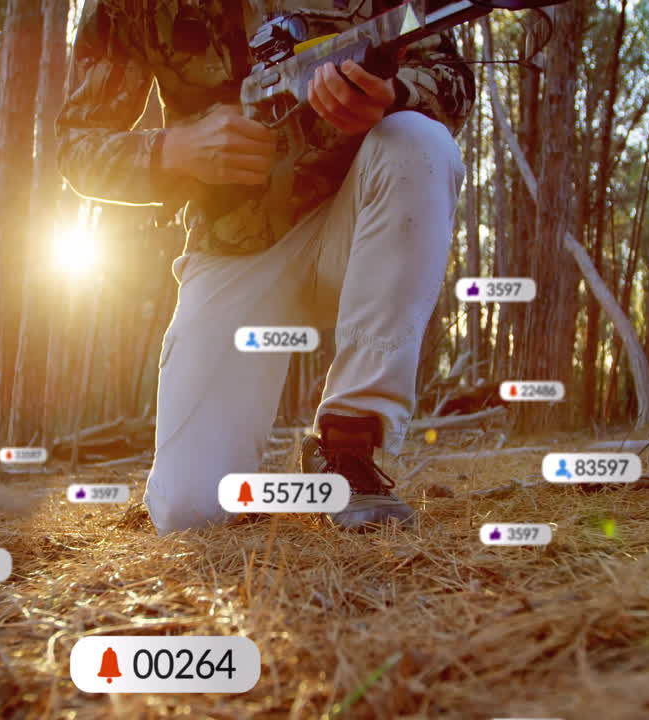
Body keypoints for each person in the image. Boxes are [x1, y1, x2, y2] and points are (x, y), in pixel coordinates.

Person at [57, 0, 473, 534]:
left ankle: (347, 449)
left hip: (358, 230)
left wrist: (393, 97)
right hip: (236, 247)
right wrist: (174, 150)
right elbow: (76, 145)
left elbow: (450, 74)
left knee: (419, 143)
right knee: (191, 512)